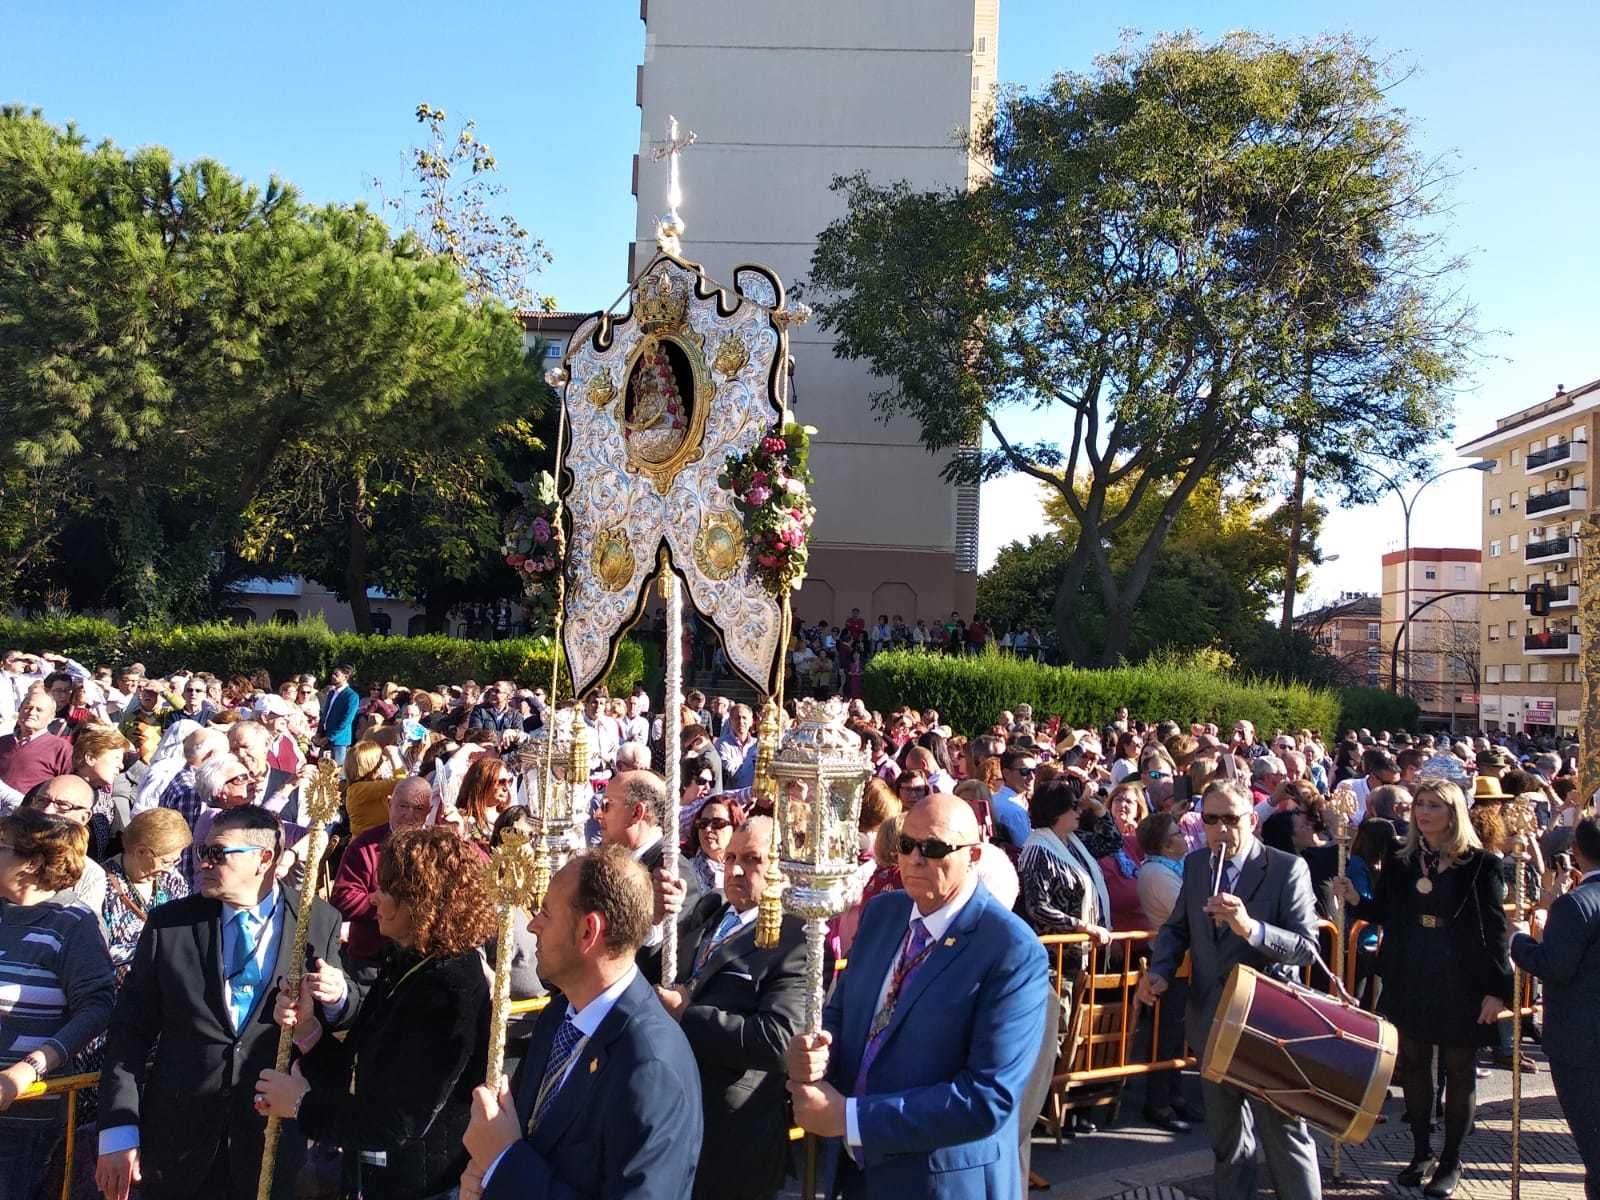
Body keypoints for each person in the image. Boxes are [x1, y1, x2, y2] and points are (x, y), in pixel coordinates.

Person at [785, 792, 1049, 1199]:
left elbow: (987, 1098)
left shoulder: (1011, 950)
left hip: (941, 1183)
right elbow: (843, 1013)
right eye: (906, 845)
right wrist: (820, 1049)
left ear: (974, 854)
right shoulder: (882, 915)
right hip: (858, 1173)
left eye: (935, 847)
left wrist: (850, 1118)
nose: (915, 858)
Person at [96, 806, 353, 1200]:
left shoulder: (316, 920)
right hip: (176, 1146)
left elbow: (333, 1024)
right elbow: (129, 1032)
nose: (202, 864)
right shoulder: (170, 924)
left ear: (263, 858)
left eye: (218, 853)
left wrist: (337, 997)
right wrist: (117, 1131)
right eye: (201, 852)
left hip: (267, 1144)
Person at [256, 827, 494, 1200]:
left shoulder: (450, 987)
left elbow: (400, 1121)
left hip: (419, 1186)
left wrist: (302, 1106)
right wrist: (308, 1029)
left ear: (419, 901)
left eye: (385, 889)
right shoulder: (407, 961)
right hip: (374, 1178)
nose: (373, 898)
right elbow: (360, 1073)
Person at [461, 846, 704, 1199]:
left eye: (545, 913)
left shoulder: (651, 1066)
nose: (533, 925)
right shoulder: (558, 1017)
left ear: (588, 931)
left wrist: (502, 1163)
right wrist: (487, 1181)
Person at [1137, 779, 1321, 1200]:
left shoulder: (1286, 868)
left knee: (1285, 1139)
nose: (1220, 829)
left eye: (1230, 819)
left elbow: (1308, 949)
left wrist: (1251, 929)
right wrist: (1160, 971)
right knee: (1228, 1143)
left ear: (1252, 821)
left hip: (1269, 1029)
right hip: (1212, 1021)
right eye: (1210, 820)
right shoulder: (1199, 864)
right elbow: (1177, 928)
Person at [1333, 778, 1512, 1199]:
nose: (1424, 812)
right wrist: (1354, 898)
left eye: (1434, 805)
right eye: (1419, 805)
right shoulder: (1402, 859)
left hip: (1461, 977)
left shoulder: (1480, 864)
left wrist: (1497, 989)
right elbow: (1386, 911)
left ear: (1453, 813)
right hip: (1411, 969)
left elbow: (1495, 932)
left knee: (1458, 1067)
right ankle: (1420, 1151)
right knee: (1413, 1064)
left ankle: (1451, 1159)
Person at [656, 817, 807, 1200]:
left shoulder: (796, 939)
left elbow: (779, 1041)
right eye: (730, 858)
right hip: (672, 1115)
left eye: (753, 859)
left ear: (782, 866)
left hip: (734, 1136)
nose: (737, 869)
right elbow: (657, 969)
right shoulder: (709, 910)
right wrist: (655, 921)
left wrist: (686, 1017)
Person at [0, 807, 117, 1197]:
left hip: (23, 1117)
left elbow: (98, 1008)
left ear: (32, 863)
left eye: (1, 847)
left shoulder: (72, 922)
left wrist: (27, 1071)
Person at [1510, 815, 1600, 1199]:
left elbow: (1555, 966)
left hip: (1583, 1044)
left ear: (1577, 852)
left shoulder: (1576, 904)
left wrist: (1519, 942)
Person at [331, 777, 435, 980]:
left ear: (429, 811)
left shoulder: (436, 847)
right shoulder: (364, 846)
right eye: (403, 805)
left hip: (422, 959)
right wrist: (387, 903)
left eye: (418, 808)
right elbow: (342, 900)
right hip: (371, 961)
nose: (409, 815)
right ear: (389, 804)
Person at [102, 808, 192, 985]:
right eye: (166, 861)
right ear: (140, 851)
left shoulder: (172, 880)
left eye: (176, 861)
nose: (169, 868)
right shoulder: (101, 885)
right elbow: (92, 950)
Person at [0, 689, 73, 808]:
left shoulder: (61, 749)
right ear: (19, 711)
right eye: (28, 708)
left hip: (30, 818)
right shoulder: (3, 742)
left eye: (39, 710)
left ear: (51, 717)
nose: (32, 712)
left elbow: (67, 789)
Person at [687, 793, 742, 894]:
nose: (708, 829)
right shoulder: (685, 871)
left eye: (717, 823)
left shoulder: (746, 871)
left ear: (735, 828)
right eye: (703, 823)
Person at [343, 739, 398, 838]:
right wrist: (394, 757)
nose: (384, 764)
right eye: (381, 761)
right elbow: (402, 784)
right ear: (372, 767)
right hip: (365, 847)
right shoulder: (359, 789)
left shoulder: (366, 787)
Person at [319, 665, 360, 766]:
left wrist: (330, 737)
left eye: (336, 675)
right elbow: (325, 714)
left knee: (337, 771)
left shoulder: (351, 696)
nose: (333, 676)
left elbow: (346, 720)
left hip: (339, 741)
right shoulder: (332, 693)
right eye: (333, 674)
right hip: (325, 737)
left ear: (345, 677)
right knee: (322, 769)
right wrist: (319, 733)